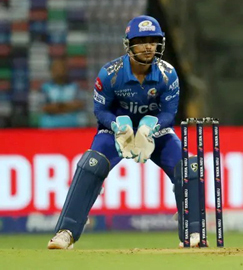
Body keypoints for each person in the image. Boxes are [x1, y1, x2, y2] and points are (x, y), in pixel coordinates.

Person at [47, 15, 197, 249]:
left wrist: (152, 126)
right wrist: (117, 125)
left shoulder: (168, 74)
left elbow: (169, 112)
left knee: (189, 167)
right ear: (129, 44)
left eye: (153, 40)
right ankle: (66, 231)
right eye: (141, 41)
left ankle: (192, 232)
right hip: (116, 132)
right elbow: (100, 110)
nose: (148, 46)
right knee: (91, 164)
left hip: (154, 131)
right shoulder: (110, 74)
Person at [36, 58, 88, 128]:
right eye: (56, 69)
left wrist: (58, 107)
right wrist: (67, 106)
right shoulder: (45, 87)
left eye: (62, 69)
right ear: (51, 71)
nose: (59, 72)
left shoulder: (75, 87)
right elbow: (43, 107)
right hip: (50, 126)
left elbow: (80, 104)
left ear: (66, 70)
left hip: (71, 125)